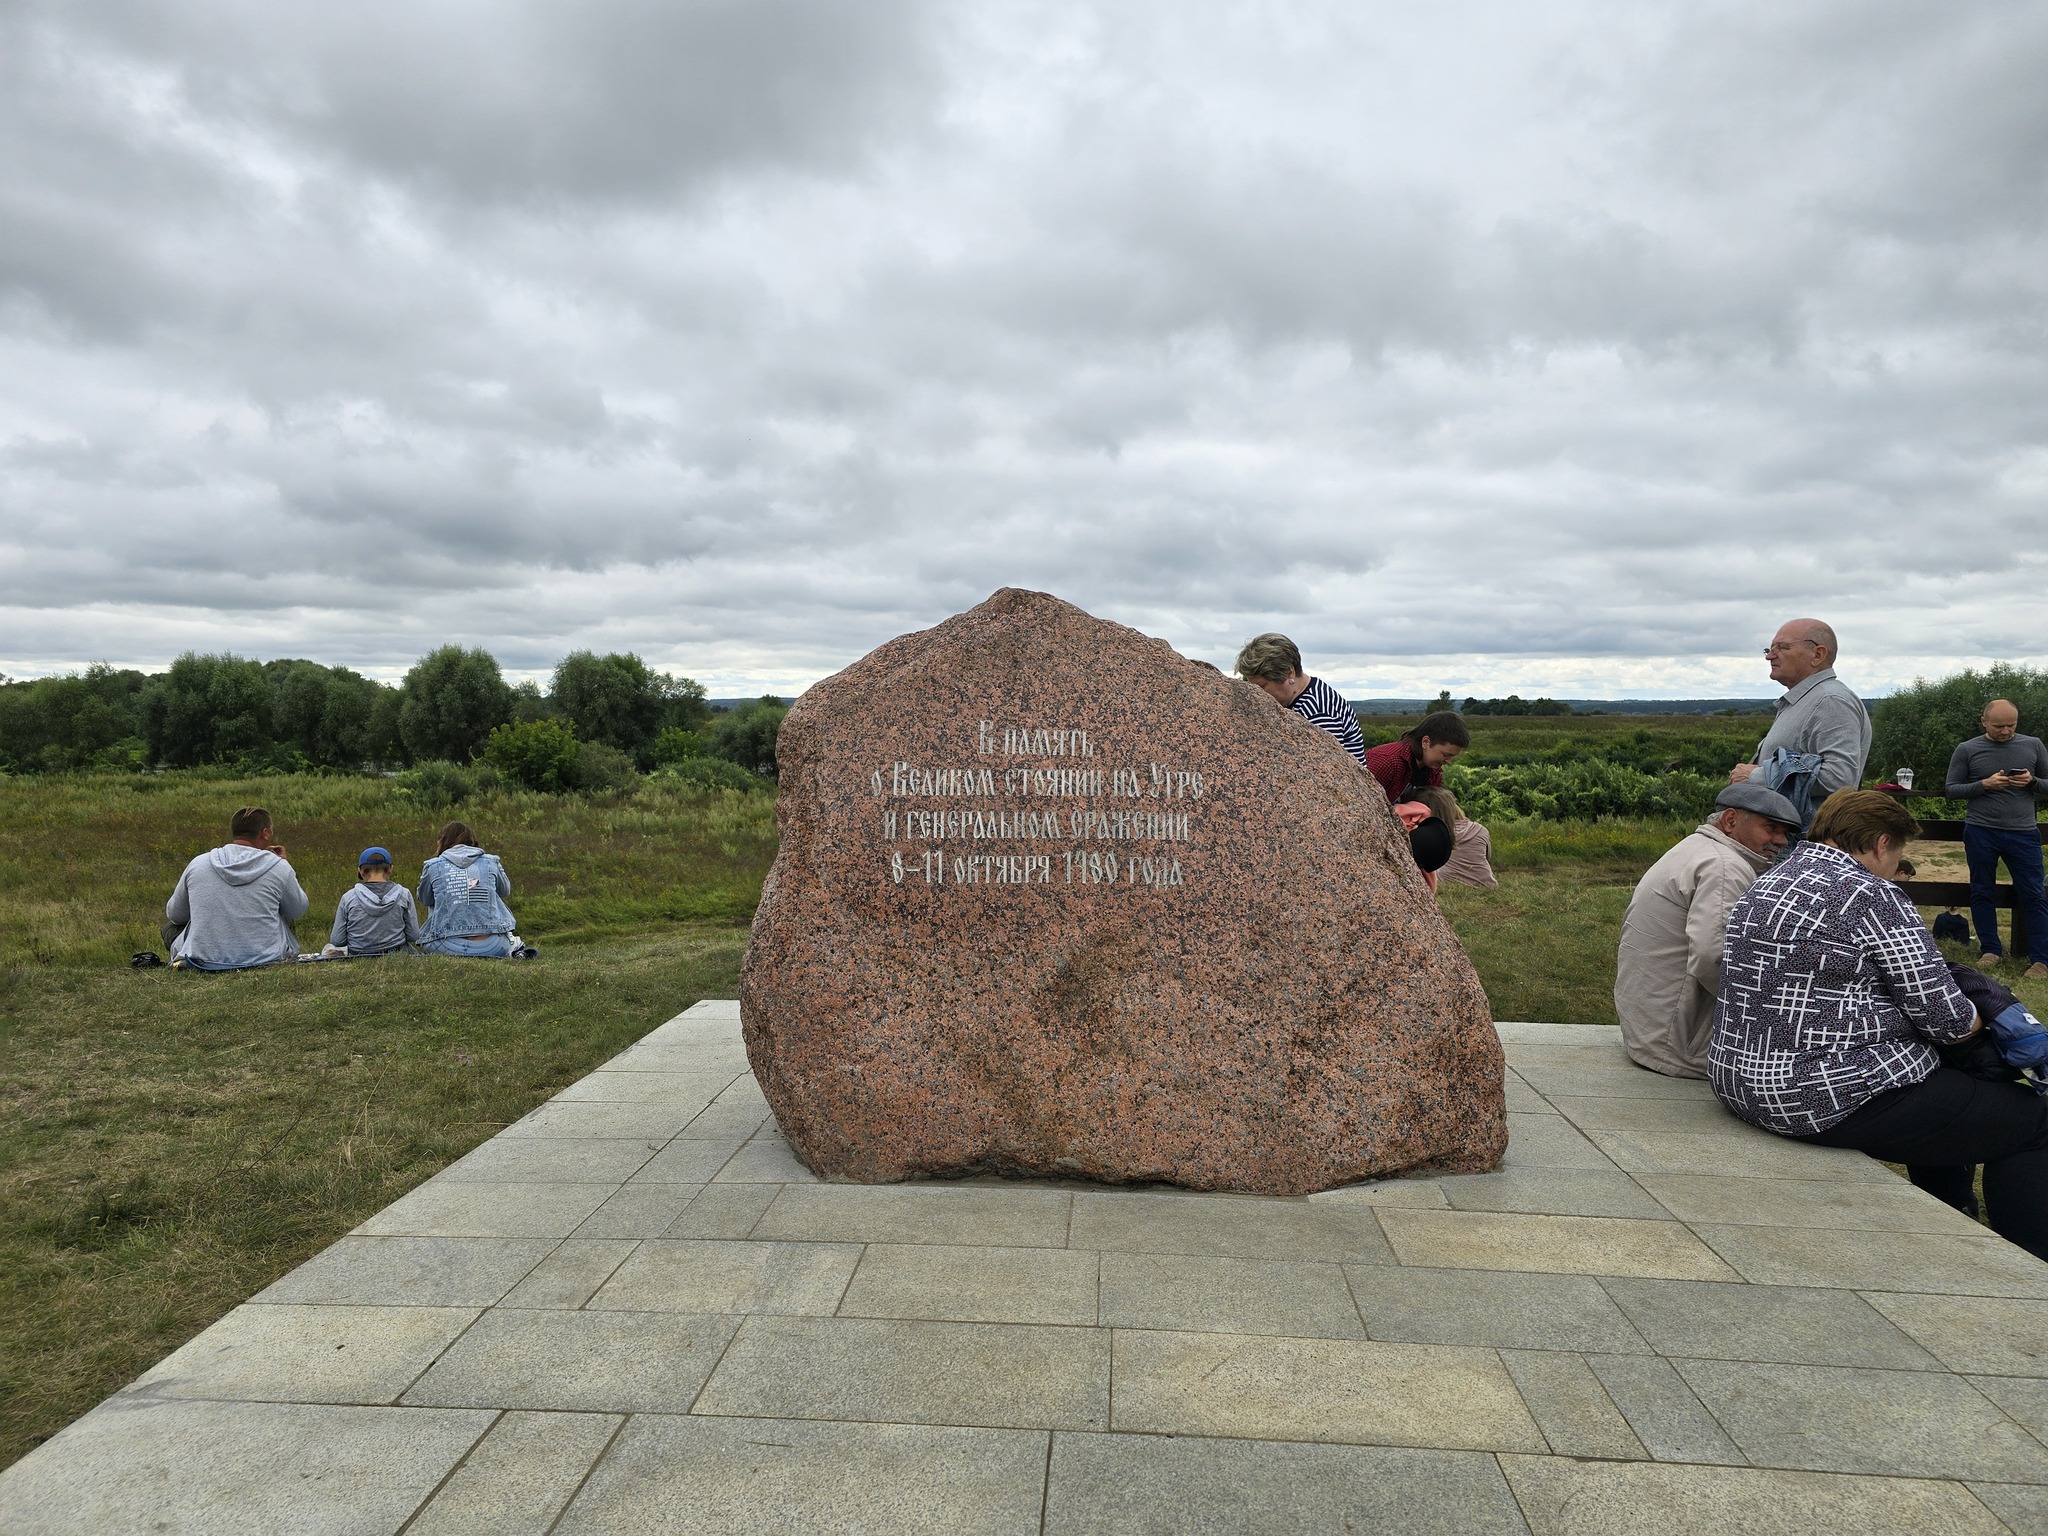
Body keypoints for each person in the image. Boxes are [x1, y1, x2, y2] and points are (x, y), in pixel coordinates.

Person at [1711, 789, 2048, 1261]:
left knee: (1950, 1092)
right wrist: (1986, 1018)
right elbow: (1946, 1018)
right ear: (1880, 843)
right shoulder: (1871, 893)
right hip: (1816, 1096)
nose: (1895, 867)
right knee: (2032, 1119)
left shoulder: (1771, 879)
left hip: (1741, 1079)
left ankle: (1951, 1213)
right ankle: (2030, 1262)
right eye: (1899, 855)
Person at [1614, 783, 1801, 1078]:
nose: (1781, 841)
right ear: (1730, 821)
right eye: (1771, 828)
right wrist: (1766, 1012)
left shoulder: (1695, 847)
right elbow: (1712, 956)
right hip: (1677, 1046)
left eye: (1786, 833)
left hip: (1647, 1030)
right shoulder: (1725, 865)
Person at [1727, 618, 1871, 827]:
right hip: (1790, 842)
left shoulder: (1831, 701)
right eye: (1769, 648)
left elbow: (1839, 779)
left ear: (1818, 654)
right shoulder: (1807, 700)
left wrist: (1757, 776)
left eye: (1782, 647)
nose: (1769, 656)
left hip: (1805, 845)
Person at [1944, 698, 2048, 978]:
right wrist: (1984, 785)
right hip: (1981, 831)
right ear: (1984, 722)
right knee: (1982, 890)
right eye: (1999, 726)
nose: (2005, 732)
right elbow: (1952, 789)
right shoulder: (1967, 749)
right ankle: (1990, 949)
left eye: (2011, 725)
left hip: (2024, 832)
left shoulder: (2033, 745)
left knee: (2034, 894)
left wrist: (2032, 782)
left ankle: (2041, 960)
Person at [162, 807, 309, 970]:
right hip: (267, 958)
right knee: (284, 911)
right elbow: (298, 910)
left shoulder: (199, 863)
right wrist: (284, 864)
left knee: (170, 928)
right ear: (265, 832)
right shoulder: (279, 867)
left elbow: (175, 914)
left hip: (203, 961)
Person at [1234, 633, 1366, 765]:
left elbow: (1328, 771)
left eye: (1262, 686)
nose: (1256, 694)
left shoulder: (1317, 712)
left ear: (1289, 673)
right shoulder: (1303, 695)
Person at [418, 822, 525, 958]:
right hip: (493, 946)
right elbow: (505, 891)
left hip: (445, 946)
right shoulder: (490, 861)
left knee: (438, 897)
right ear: (473, 841)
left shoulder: (433, 865)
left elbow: (425, 899)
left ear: (442, 841)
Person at [328, 847, 423, 957]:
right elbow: (414, 936)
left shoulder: (348, 897)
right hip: (396, 954)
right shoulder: (404, 894)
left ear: (361, 870)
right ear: (390, 869)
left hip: (358, 955)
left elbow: (337, 941)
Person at [1363, 712, 1469, 805]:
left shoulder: (1433, 771)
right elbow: (1358, 802)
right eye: (1446, 755)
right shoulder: (1387, 761)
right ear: (1426, 742)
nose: (1449, 762)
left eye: (1452, 756)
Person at [1414, 786, 1498, 889]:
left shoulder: (1432, 835)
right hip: (1487, 884)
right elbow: (1487, 857)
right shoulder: (1480, 829)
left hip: (1445, 883)